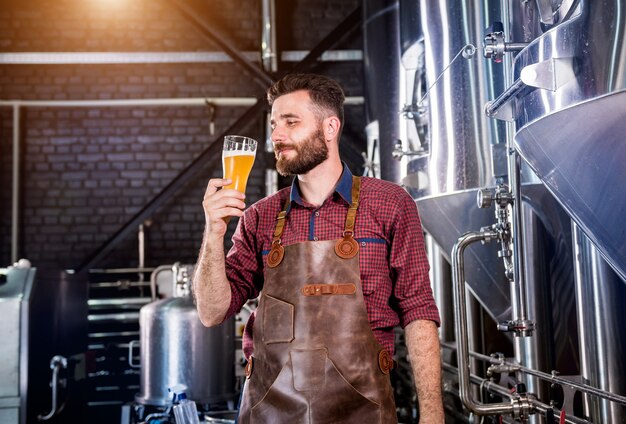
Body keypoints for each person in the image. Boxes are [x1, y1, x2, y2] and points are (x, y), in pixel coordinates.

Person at [193, 73, 444, 423]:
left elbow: (418, 310)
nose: (277, 136)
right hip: (271, 413)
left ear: (330, 127)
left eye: (291, 122)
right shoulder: (258, 218)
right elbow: (212, 311)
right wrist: (213, 232)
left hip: (364, 411)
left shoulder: (390, 204)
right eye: (274, 124)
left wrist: (433, 416)